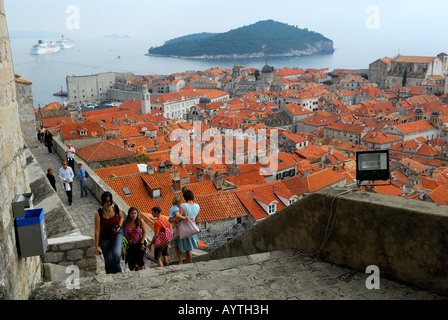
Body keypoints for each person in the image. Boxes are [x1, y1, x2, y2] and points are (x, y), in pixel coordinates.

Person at [94, 191, 124, 274]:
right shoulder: (99, 213)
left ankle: (118, 272)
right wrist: (96, 246)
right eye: (107, 201)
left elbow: (121, 218)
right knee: (109, 259)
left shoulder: (117, 208)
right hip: (104, 237)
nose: (109, 203)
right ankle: (109, 274)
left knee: (117, 254)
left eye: (110, 200)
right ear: (103, 201)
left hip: (117, 234)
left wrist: (119, 227)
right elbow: (97, 230)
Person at [169, 189, 200, 264]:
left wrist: (170, 220)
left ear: (184, 197)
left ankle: (180, 261)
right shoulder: (197, 206)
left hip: (182, 229)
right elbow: (197, 220)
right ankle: (189, 264)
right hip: (191, 230)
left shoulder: (183, 206)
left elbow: (177, 218)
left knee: (176, 246)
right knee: (188, 249)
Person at [122, 206, 147, 271]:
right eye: (132, 213)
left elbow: (144, 232)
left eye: (135, 213)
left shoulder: (140, 221)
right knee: (131, 265)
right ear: (129, 214)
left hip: (138, 244)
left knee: (140, 264)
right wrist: (122, 246)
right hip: (129, 246)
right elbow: (121, 233)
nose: (134, 215)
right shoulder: (125, 222)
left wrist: (142, 242)